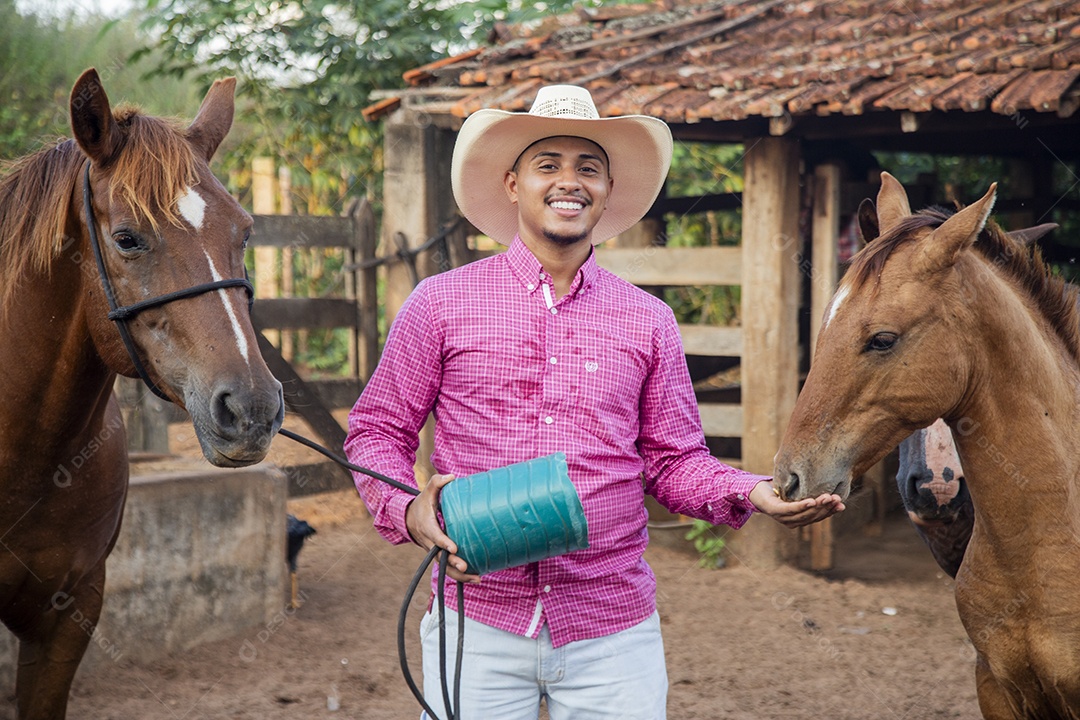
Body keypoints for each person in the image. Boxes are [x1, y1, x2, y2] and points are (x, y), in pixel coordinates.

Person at [345, 84, 845, 720]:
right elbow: (376, 432)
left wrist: (750, 491)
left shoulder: (648, 320)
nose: (568, 182)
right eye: (546, 165)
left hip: (612, 626)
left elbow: (673, 461)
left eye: (588, 168)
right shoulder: (441, 304)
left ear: (608, 191)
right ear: (511, 184)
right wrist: (408, 509)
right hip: (478, 617)